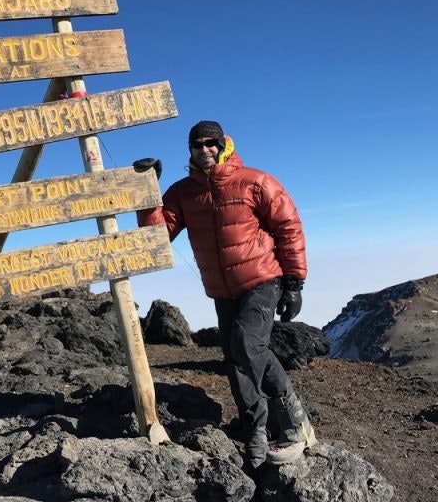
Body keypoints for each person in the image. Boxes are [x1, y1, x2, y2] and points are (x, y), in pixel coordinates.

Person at [135, 120, 316, 468]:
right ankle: (256, 431)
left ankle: (295, 424)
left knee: (249, 345)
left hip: (262, 279)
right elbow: (158, 234)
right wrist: (147, 191)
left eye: (210, 143)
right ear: (189, 150)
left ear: (224, 145)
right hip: (222, 289)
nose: (204, 150)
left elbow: (288, 226)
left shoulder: (255, 181)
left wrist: (294, 282)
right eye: (196, 145)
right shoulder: (183, 192)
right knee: (235, 358)